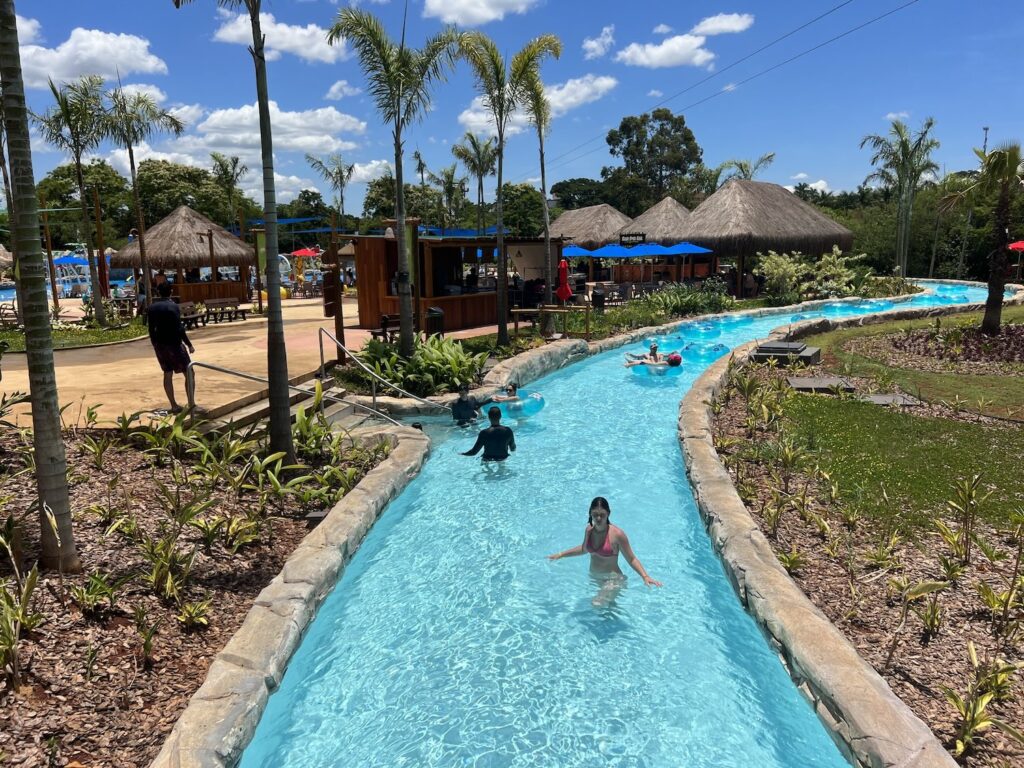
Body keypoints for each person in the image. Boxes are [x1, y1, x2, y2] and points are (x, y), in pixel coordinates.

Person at [548, 497, 662, 605]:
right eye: (595, 515)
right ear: (590, 514)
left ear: (608, 513)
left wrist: (645, 576)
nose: (598, 518)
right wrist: (561, 554)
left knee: (597, 604)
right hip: (596, 578)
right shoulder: (589, 530)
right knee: (609, 609)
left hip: (613, 580)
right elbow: (584, 549)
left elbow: (631, 558)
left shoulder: (617, 535)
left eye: (602, 515)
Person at [148, 282, 195, 414]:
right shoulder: (173, 306)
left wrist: (155, 344)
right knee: (189, 372)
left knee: (167, 373)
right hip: (174, 344)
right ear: (171, 292)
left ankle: (173, 405)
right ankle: (191, 402)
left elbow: (151, 329)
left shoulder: (152, 308)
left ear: (158, 292)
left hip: (160, 345)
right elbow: (179, 328)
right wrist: (189, 344)